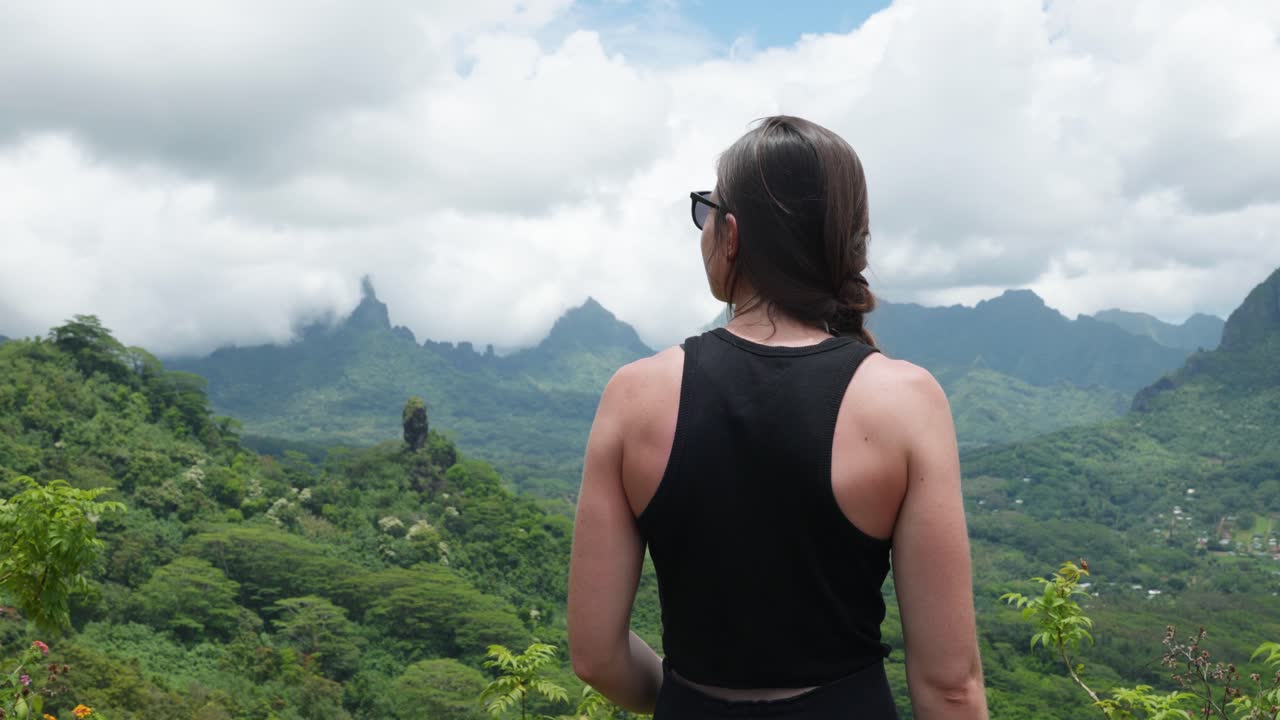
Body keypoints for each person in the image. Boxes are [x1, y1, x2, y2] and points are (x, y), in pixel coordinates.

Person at [567, 116, 987, 719]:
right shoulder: (904, 401)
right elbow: (950, 686)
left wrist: (692, 701)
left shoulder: (634, 397)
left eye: (706, 210)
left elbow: (595, 657)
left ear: (731, 235)